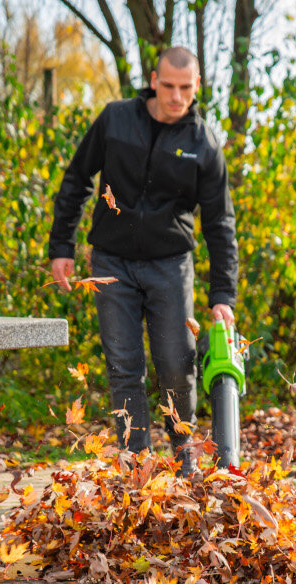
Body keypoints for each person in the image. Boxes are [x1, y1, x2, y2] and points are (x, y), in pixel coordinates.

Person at [49, 46, 238, 475]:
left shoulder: (203, 144)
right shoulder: (116, 119)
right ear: (153, 80)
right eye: (168, 86)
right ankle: (135, 465)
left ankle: (183, 455)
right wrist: (61, 246)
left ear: (197, 87)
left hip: (170, 266)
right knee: (124, 367)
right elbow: (77, 180)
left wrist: (222, 294)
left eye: (185, 88)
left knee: (176, 365)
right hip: (111, 262)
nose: (176, 96)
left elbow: (220, 223)